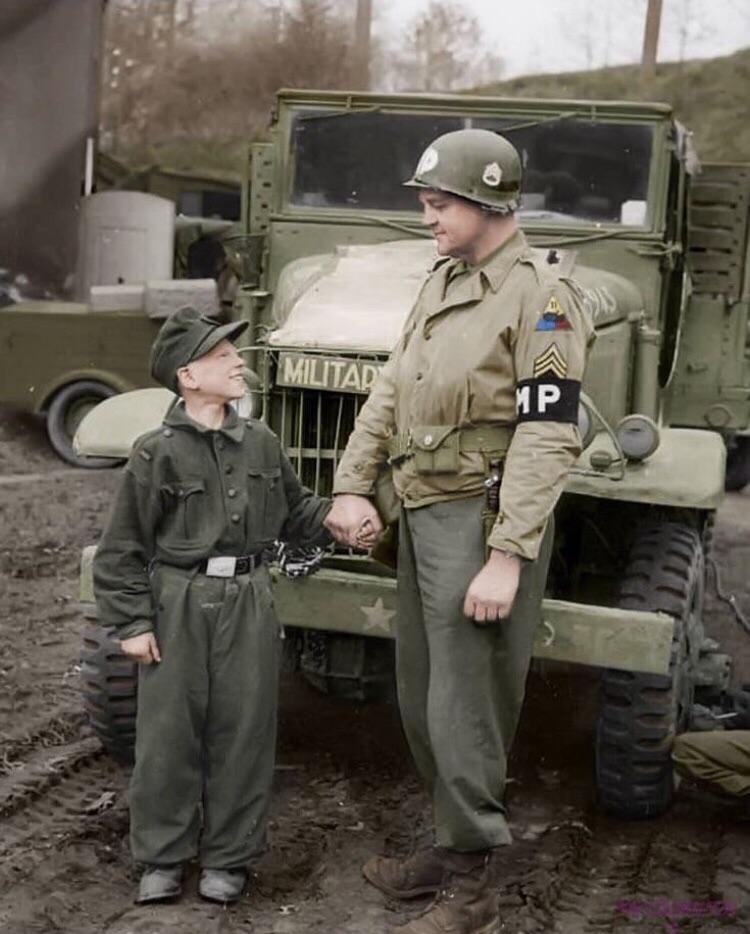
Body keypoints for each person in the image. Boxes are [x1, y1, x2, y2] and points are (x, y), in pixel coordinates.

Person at [326, 128, 594, 934]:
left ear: (488, 203)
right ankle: (449, 850)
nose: (427, 216)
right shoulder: (445, 279)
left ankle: (471, 889)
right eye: (427, 203)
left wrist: (507, 556)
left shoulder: (543, 298)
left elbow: (549, 433)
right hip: (420, 510)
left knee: (464, 706)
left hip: (481, 523)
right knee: (421, 698)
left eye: (439, 204)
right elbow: (390, 385)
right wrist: (350, 481)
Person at [93, 306, 367, 905]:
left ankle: (228, 859)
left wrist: (342, 521)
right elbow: (120, 550)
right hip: (177, 601)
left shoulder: (262, 442)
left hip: (249, 598)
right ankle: (162, 857)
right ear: (188, 376)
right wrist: (134, 623)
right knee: (168, 735)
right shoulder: (154, 452)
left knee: (243, 731)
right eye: (224, 357)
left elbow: (297, 513)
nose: (239, 364)